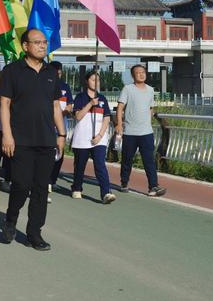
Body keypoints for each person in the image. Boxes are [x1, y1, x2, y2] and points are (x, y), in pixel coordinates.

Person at [0, 28, 66, 251]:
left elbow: (56, 106)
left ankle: (34, 233)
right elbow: (5, 105)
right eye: (37, 42)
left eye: (44, 42)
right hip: (21, 140)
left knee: (40, 188)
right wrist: (7, 135)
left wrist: (61, 134)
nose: (42, 46)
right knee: (21, 184)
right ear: (25, 46)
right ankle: (11, 218)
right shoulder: (12, 71)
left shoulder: (50, 73)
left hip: (46, 140)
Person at [116, 64, 166, 197]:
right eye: (138, 73)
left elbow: (151, 108)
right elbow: (120, 107)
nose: (141, 74)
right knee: (127, 160)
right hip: (130, 132)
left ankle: (153, 187)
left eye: (143, 72)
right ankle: (124, 182)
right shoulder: (127, 89)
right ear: (133, 76)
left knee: (149, 160)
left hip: (146, 132)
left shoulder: (150, 90)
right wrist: (119, 125)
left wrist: (148, 121)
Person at [71, 71, 116, 204]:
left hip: (99, 139)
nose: (96, 83)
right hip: (82, 138)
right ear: (87, 81)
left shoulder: (102, 98)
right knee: (80, 165)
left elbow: (107, 118)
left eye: (98, 80)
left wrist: (100, 135)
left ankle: (106, 192)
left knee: (100, 165)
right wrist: (90, 104)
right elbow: (77, 116)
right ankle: (77, 188)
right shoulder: (80, 97)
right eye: (92, 80)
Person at [48, 61, 73, 200]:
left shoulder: (65, 87)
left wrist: (68, 109)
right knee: (47, 155)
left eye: (59, 71)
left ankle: (53, 180)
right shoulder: (46, 85)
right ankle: (45, 181)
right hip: (48, 127)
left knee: (59, 155)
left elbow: (69, 104)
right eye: (55, 71)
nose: (58, 74)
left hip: (61, 128)